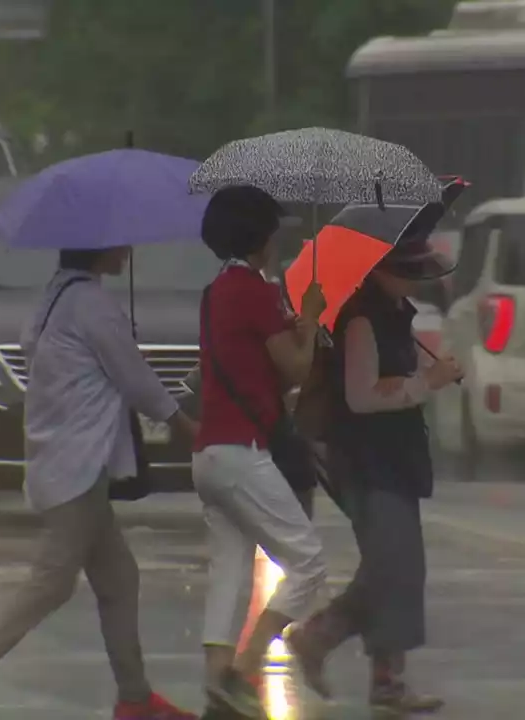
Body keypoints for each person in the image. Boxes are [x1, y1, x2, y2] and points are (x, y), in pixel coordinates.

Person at [0, 246, 201, 720]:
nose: (128, 249)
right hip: (78, 466)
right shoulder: (92, 304)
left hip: (65, 461)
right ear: (100, 247)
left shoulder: (55, 297)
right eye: (120, 242)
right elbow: (134, 378)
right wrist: (183, 422)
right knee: (52, 583)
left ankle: (135, 698)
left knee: (118, 578)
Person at [285, 222, 463, 714]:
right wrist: (428, 381)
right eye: (404, 272)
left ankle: (380, 675)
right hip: (365, 459)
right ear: (378, 272)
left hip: (394, 456)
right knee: (393, 565)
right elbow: (361, 398)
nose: (412, 281)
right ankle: (321, 638)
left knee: (396, 566)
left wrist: (427, 376)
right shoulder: (362, 321)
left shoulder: (392, 315)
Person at [191, 185, 329, 719]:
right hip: (242, 452)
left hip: (209, 454)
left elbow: (251, 363)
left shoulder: (215, 291)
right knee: (309, 563)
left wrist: (291, 327)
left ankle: (215, 692)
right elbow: (295, 369)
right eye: (274, 230)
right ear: (260, 237)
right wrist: (312, 317)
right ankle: (244, 672)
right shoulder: (255, 290)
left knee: (230, 573)